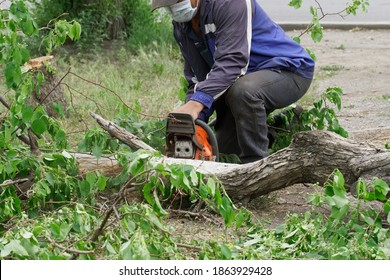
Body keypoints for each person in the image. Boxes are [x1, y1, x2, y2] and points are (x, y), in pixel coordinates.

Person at [151, 0, 315, 163]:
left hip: (287, 71)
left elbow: (233, 62)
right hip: (241, 81)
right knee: (224, 151)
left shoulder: (229, 3)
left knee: (244, 92)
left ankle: (256, 166)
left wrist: (196, 103)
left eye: (177, 2)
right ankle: (284, 124)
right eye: (169, 6)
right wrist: (194, 121)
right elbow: (198, 78)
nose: (174, 9)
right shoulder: (182, 27)